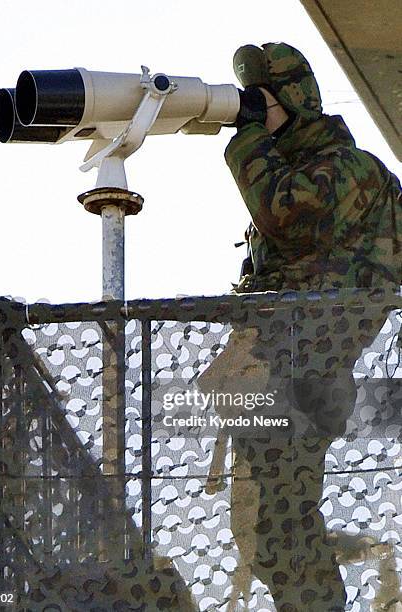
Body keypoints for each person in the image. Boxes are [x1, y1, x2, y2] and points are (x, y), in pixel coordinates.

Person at [201, 42, 401, 611]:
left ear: (293, 100)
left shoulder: (351, 169)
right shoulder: (304, 166)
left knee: (282, 524)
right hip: (279, 368)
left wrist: (249, 136)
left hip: (310, 370)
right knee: (268, 533)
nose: (251, 110)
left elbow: (283, 214)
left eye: (263, 99)